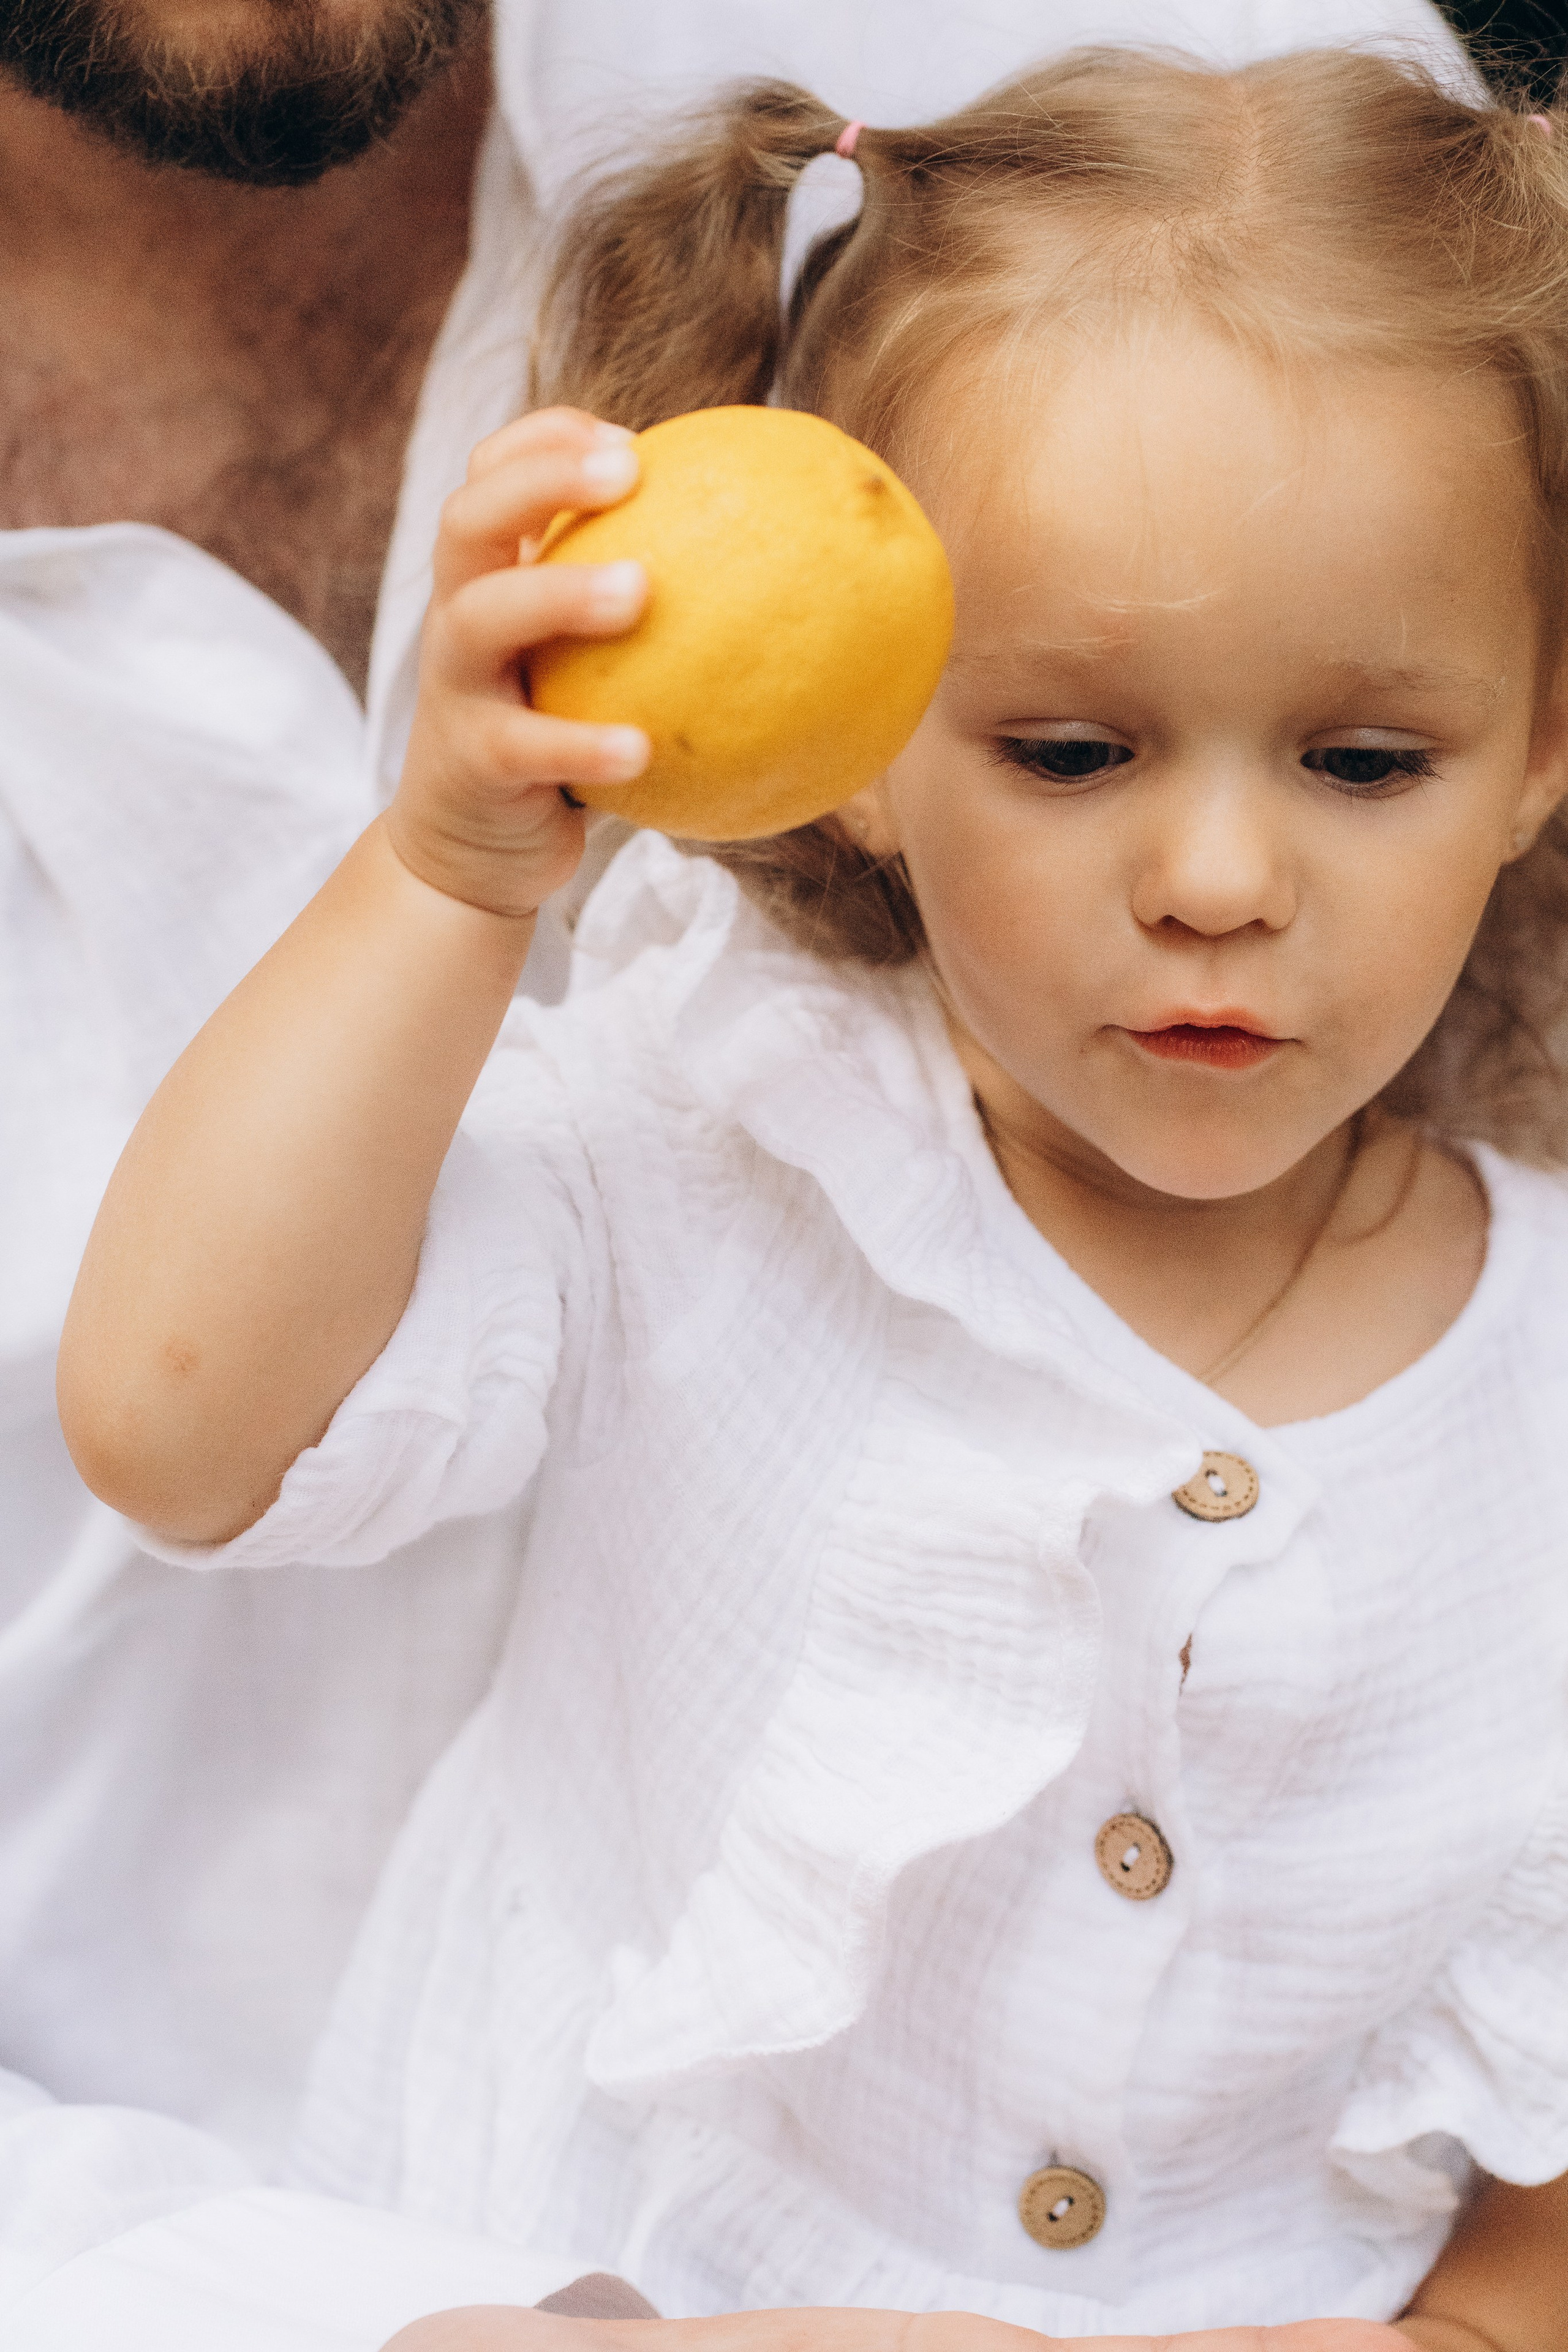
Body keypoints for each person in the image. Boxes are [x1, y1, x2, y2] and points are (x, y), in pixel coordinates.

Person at [57, 38, 1568, 2352]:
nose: (1220, 880)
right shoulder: (715, 1142)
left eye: (1366, 760)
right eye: (1069, 750)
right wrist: (453, 870)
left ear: (1542, 743)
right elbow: (179, 1418)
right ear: (865, 748)